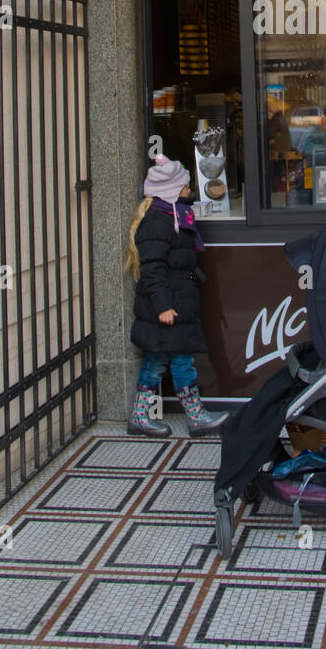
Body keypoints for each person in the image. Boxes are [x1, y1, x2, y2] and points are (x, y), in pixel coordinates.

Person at [124, 155, 228, 438]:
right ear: (172, 191)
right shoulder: (159, 223)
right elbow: (153, 269)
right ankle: (194, 418)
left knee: (158, 360)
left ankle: (141, 417)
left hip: (176, 302)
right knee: (179, 361)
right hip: (167, 307)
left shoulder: (173, 216)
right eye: (184, 186)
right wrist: (164, 306)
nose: (189, 189)